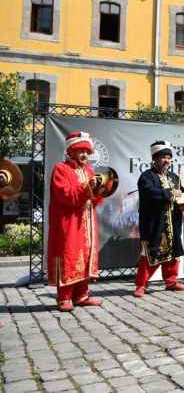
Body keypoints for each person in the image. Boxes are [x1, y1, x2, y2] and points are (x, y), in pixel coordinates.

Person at [47, 132, 105, 312]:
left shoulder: (88, 170)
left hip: (87, 222)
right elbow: (66, 196)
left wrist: (100, 190)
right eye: (80, 151)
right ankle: (64, 297)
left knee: (86, 256)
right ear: (70, 151)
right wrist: (88, 188)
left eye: (87, 151)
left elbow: (95, 199)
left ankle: (82, 295)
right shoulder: (61, 169)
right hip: (69, 223)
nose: (85, 155)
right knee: (69, 255)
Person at [134, 141, 184, 297]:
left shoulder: (174, 177)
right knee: (150, 253)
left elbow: (183, 192)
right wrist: (171, 193)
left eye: (169, 158)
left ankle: (171, 281)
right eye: (163, 157)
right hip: (154, 223)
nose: (167, 161)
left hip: (173, 221)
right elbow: (151, 192)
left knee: (173, 251)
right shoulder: (146, 177)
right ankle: (141, 285)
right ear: (155, 159)